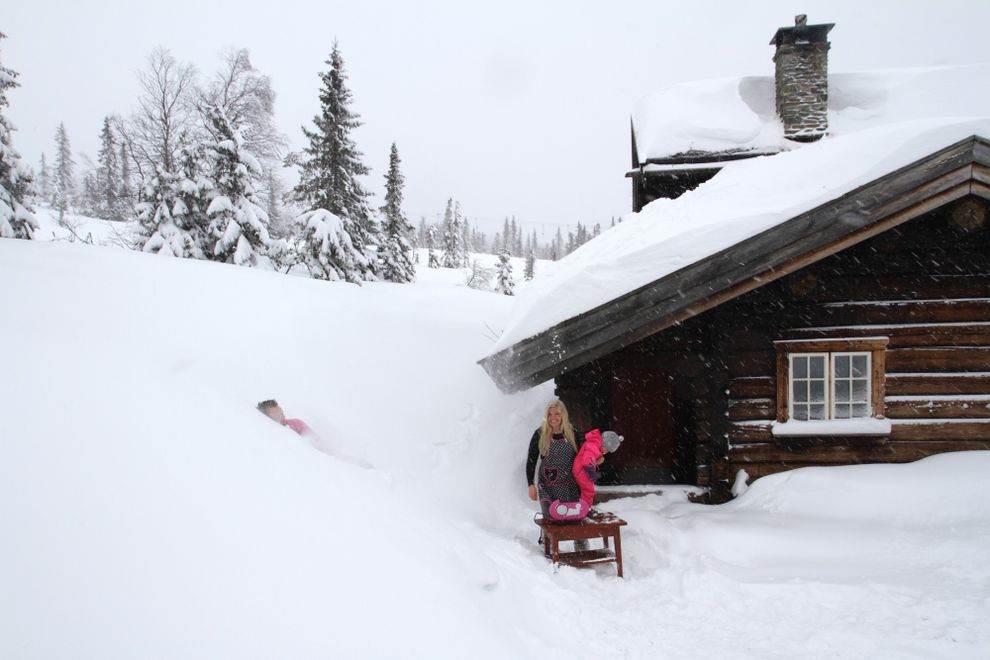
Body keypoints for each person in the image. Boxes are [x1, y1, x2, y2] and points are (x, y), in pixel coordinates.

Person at [525, 399, 584, 520]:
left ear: (563, 414)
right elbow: (531, 460)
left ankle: (581, 540)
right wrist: (530, 484)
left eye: (557, 413)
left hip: (570, 486)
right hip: (547, 487)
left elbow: (584, 457)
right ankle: (546, 537)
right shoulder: (540, 433)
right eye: (549, 414)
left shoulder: (573, 433)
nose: (553, 418)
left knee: (575, 522)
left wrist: (596, 460)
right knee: (550, 521)